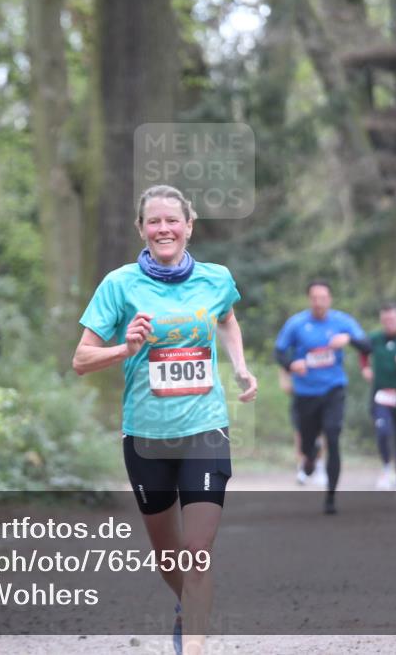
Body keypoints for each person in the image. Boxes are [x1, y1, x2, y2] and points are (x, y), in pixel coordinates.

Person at [73, 185, 258, 655]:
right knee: (167, 556)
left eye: (172, 220)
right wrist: (125, 348)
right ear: (141, 229)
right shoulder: (119, 284)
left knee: (197, 553)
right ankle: (190, 609)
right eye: (153, 222)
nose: (163, 229)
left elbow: (228, 319)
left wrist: (239, 366)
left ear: (189, 226)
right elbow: (81, 359)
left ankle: (191, 645)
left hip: (205, 429)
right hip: (147, 437)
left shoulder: (216, 279)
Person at [274, 281, 369, 514]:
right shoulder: (297, 324)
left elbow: (368, 345)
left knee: (333, 435)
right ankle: (309, 456)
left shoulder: (342, 322)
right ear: (309, 300)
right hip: (305, 393)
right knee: (307, 443)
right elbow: (279, 351)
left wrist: (349, 340)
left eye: (323, 297)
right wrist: (291, 364)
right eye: (314, 298)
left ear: (330, 299)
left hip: (333, 390)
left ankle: (331, 497)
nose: (319, 302)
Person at [359, 302, 396, 492]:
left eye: (392, 319)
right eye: (385, 319)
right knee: (383, 431)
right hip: (380, 395)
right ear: (381, 320)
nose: (389, 322)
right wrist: (365, 367)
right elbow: (362, 351)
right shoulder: (375, 338)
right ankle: (386, 468)